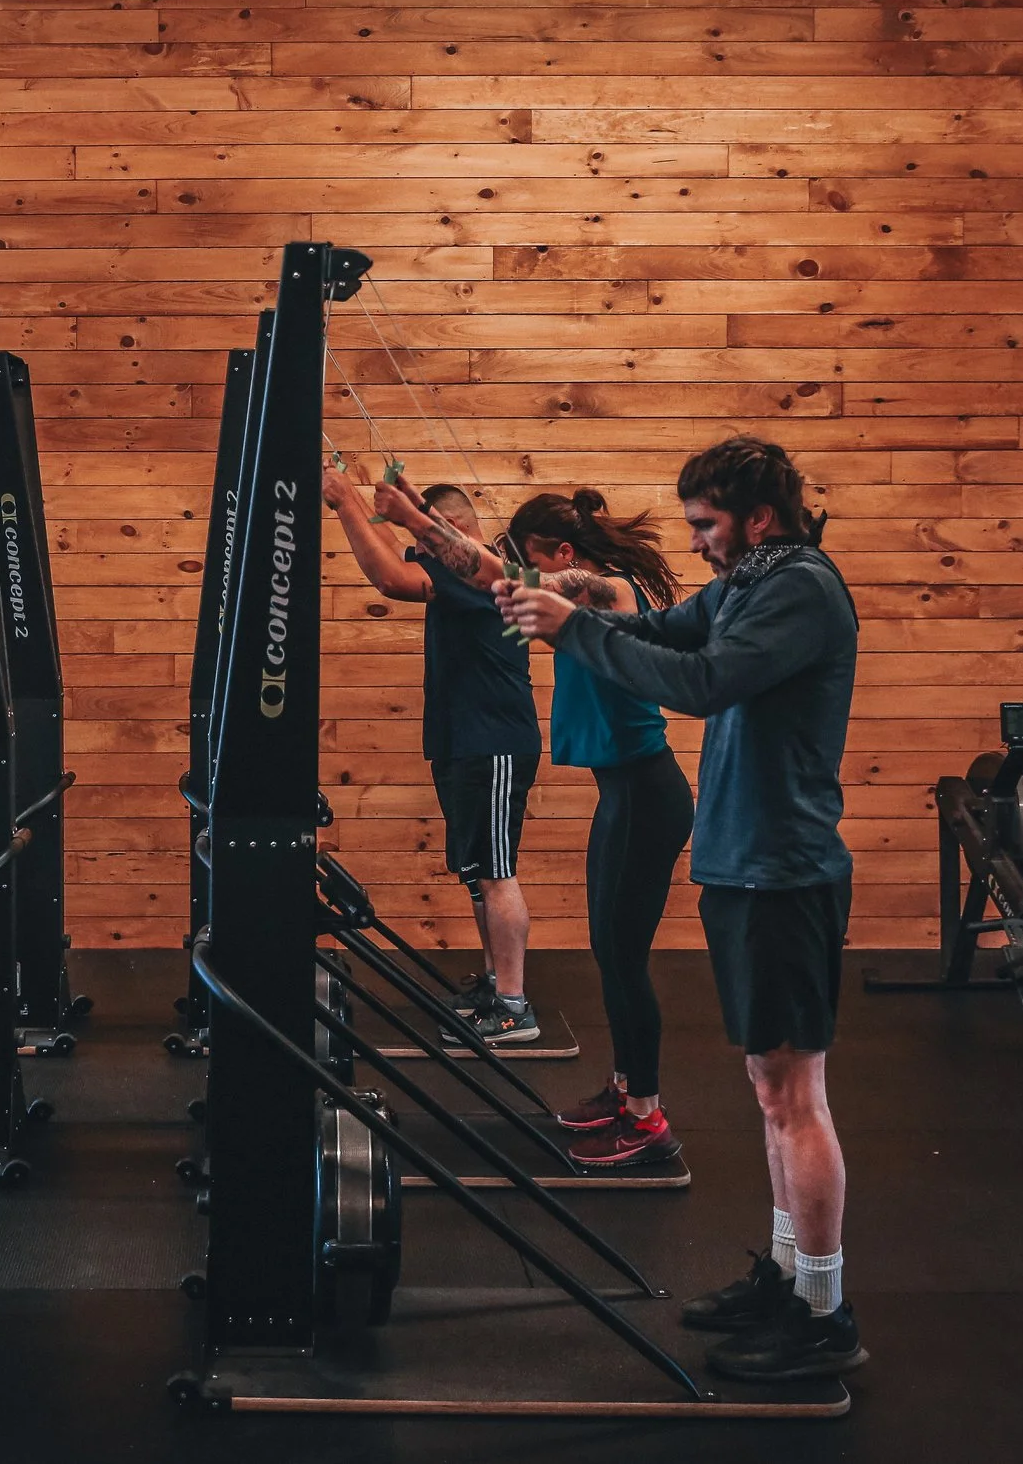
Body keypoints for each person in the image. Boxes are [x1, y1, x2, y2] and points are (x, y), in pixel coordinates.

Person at [498, 437, 865, 1381]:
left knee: (796, 1098)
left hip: (786, 871)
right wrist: (584, 596)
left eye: (707, 525)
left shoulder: (801, 588)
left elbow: (701, 683)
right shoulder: (753, 581)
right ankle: (790, 1277)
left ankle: (823, 1313)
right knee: (771, 1090)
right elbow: (672, 627)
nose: (697, 540)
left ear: (759, 517)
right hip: (745, 864)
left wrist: (570, 629)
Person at [499, 491, 694, 1172]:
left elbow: (587, 587)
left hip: (647, 794)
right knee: (611, 953)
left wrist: (550, 583)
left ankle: (646, 1118)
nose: (531, 575)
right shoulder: (578, 603)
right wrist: (416, 522)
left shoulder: (613, 594)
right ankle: (624, 1090)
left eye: (536, 562)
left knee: (623, 958)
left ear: (565, 552)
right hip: (626, 796)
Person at [323, 462, 543, 1044]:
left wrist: (346, 500)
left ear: (452, 528)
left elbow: (392, 580)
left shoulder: (488, 577)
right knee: (478, 875)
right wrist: (373, 505)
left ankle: (515, 1006)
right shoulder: (459, 569)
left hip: (492, 744)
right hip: (464, 742)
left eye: (429, 532)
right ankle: (499, 985)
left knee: (495, 873)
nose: (422, 544)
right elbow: (398, 558)